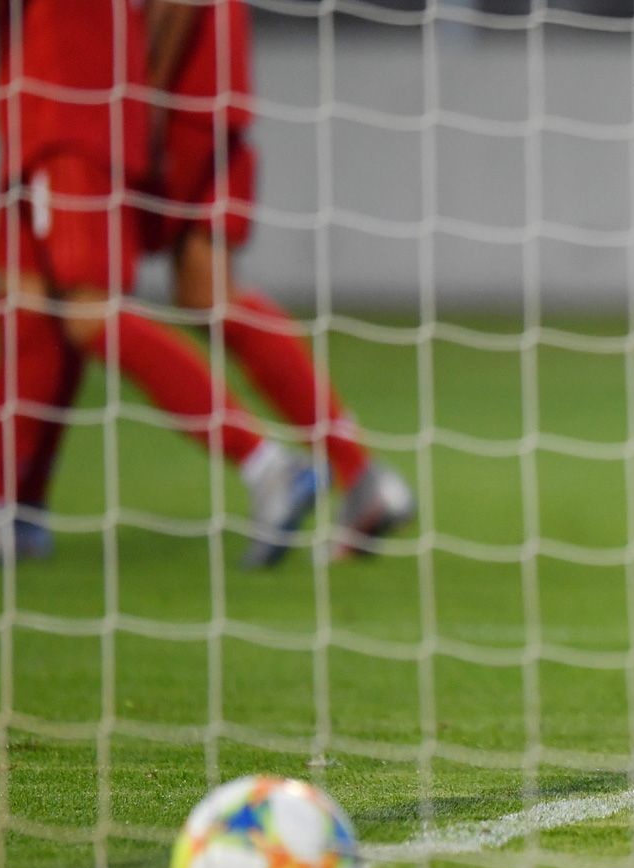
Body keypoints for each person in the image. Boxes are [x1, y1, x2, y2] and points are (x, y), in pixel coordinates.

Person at [0, 0, 317, 568]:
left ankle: (268, 465)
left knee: (90, 313)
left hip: (74, 111)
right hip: (38, 112)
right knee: (27, 310)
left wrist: (146, 98)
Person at [135, 0, 413, 561]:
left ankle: (287, 468)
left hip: (183, 95)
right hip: (214, 87)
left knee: (78, 299)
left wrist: (146, 100)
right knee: (203, 294)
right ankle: (359, 475)